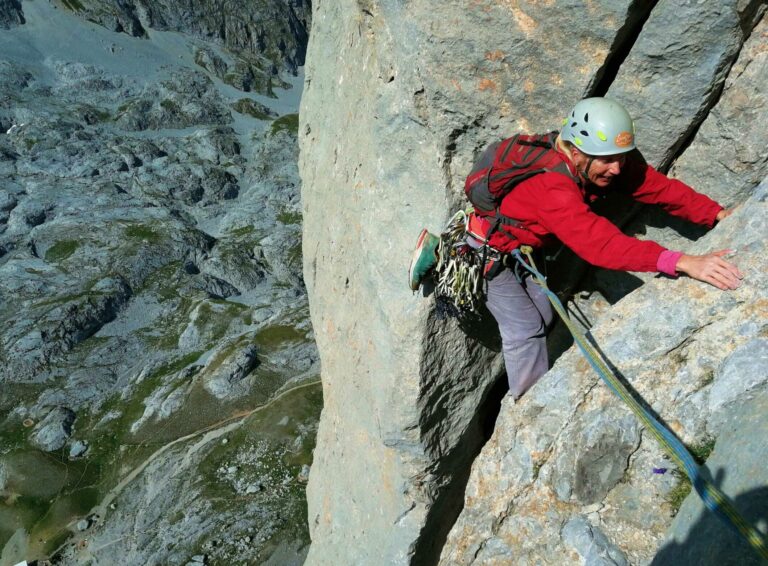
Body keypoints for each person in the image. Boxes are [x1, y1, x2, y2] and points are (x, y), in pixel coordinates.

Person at [409, 97, 743, 401]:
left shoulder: (593, 161)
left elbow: (659, 189)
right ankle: (528, 405)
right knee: (526, 331)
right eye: (607, 161)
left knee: (545, 316)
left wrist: (715, 214)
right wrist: (681, 261)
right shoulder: (553, 186)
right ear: (577, 151)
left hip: (523, 245)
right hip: (489, 250)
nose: (616, 169)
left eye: (620, 160)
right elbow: (601, 245)